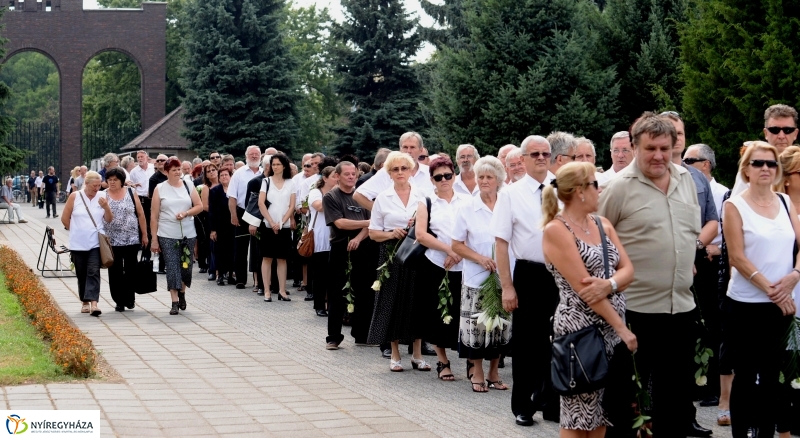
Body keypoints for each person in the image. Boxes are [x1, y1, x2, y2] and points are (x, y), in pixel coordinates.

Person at [597, 113, 701, 437]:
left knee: (676, 402)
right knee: (625, 403)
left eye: (665, 148)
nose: (658, 155)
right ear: (633, 147)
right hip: (634, 313)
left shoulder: (686, 180)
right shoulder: (616, 189)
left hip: (681, 311)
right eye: (650, 148)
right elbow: (597, 244)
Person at [542, 161, 637, 435]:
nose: (601, 190)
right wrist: (623, 328)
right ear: (580, 191)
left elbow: (629, 270)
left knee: (602, 414)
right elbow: (585, 290)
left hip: (611, 331)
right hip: (580, 332)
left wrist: (609, 284)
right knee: (577, 414)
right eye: (596, 184)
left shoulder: (603, 224)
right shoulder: (556, 230)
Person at [723, 141, 799, 437]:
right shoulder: (734, 204)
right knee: (744, 378)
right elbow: (737, 257)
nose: (765, 168)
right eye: (758, 163)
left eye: (771, 163)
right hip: (744, 304)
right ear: (746, 169)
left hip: (780, 305)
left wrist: (794, 276)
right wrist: (774, 291)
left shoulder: (784, 203)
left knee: (771, 378)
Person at [491, 135, 558, 426]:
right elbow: (501, 242)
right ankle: (523, 406)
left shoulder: (564, 186)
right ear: (524, 159)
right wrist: (507, 286)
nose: (541, 158)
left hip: (563, 276)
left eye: (545, 153)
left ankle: (554, 403)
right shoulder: (511, 193)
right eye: (535, 154)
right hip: (529, 275)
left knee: (560, 342)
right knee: (528, 345)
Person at [367, 151, 431, 372]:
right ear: (389, 173)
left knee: (418, 302)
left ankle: (417, 353)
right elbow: (373, 233)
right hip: (391, 255)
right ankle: (395, 352)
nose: (400, 172)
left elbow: (434, 226)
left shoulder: (423, 195)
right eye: (395, 169)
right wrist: (390, 234)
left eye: (404, 168)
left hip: (417, 253)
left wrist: (419, 224)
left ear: (411, 170)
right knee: (391, 302)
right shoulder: (383, 198)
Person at [452, 156, 511, 391]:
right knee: (476, 327)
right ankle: (476, 371)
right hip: (477, 277)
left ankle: (494, 372)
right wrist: (480, 258)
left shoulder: (508, 204)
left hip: (504, 276)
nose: (484, 181)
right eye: (481, 177)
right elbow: (456, 244)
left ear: (499, 180)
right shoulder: (467, 207)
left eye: (489, 177)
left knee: (500, 325)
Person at [413, 156, 471, 381]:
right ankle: (443, 361)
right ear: (432, 180)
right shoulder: (426, 201)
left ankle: (470, 362)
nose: (444, 180)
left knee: (464, 315)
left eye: (448, 175)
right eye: (439, 177)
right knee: (438, 314)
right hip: (436, 264)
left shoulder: (467, 200)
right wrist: (449, 251)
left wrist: (459, 254)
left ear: (454, 176)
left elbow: (474, 231)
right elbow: (421, 235)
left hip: (466, 266)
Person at [323, 161, 373, 350]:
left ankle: (361, 334)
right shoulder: (331, 197)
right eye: (347, 174)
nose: (352, 177)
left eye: (354, 174)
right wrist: (366, 222)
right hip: (340, 248)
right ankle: (333, 337)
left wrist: (359, 238)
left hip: (362, 246)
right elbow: (340, 223)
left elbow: (372, 225)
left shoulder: (362, 196)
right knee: (337, 293)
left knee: (363, 292)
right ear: (337, 176)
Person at [150, 158, 204, 315]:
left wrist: (186, 213)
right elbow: (154, 215)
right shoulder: (159, 188)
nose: (178, 172)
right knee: (173, 266)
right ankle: (174, 302)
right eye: (174, 170)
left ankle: (182, 292)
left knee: (186, 267)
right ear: (166, 172)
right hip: (167, 233)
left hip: (188, 233)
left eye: (179, 169)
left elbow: (199, 206)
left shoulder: (188, 185)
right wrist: (154, 238)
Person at [60, 171, 113, 316]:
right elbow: (65, 218)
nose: (97, 188)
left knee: (93, 271)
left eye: (99, 185)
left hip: (96, 242)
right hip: (77, 243)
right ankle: (84, 301)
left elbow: (109, 219)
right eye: (94, 186)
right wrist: (76, 230)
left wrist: (106, 207)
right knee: (81, 273)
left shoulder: (102, 196)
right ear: (86, 183)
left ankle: (94, 303)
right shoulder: (75, 196)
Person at [103, 168, 148, 312]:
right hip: (112, 240)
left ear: (122, 180)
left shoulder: (130, 192)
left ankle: (130, 298)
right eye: (109, 180)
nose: (112, 182)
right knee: (114, 271)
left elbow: (140, 214)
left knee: (131, 270)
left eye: (115, 180)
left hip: (131, 238)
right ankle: (119, 301)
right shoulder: (104, 195)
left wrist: (145, 234)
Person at [355, 132, 434, 210]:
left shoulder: (430, 173)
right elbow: (358, 195)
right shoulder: (387, 172)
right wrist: (382, 212)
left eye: (412, 147)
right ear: (400, 150)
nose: (408, 151)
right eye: (405, 147)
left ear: (420, 150)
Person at [258, 153, 296, 302]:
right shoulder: (266, 181)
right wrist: (272, 222)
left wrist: (281, 223)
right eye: (273, 164)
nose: (275, 167)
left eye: (278, 164)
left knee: (282, 259)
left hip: (284, 226)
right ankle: (267, 291)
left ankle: (281, 290)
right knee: (267, 258)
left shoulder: (291, 182)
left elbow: (292, 205)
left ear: (284, 165)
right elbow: (261, 203)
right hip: (268, 225)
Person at [228, 145, 263, 289]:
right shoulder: (239, 173)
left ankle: (258, 280)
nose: (254, 156)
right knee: (240, 248)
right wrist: (233, 215)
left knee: (257, 248)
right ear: (246, 155)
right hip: (242, 212)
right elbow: (232, 196)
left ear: (260, 156)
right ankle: (241, 279)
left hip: (260, 213)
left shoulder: (264, 172)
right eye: (251, 154)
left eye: (256, 154)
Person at [308, 166, 336, 316]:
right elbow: (319, 207)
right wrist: (335, 197)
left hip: (336, 237)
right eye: (334, 176)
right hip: (320, 237)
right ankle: (319, 304)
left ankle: (330, 303)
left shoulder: (338, 192)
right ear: (325, 178)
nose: (337, 179)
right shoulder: (315, 192)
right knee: (320, 273)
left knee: (332, 274)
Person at [209, 167, 235, 286]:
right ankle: (220, 275)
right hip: (219, 225)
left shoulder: (234, 190)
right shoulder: (214, 191)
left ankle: (230, 275)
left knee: (231, 250)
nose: (224, 177)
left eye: (226, 175)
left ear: (230, 176)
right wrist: (213, 229)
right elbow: (212, 211)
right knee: (219, 250)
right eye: (222, 175)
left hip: (232, 225)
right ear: (219, 178)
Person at [200, 162, 220, 281]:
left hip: (225, 219)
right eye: (209, 171)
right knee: (213, 245)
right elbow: (204, 206)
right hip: (211, 218)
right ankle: (212, 269)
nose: (211, 172)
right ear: (206, 175)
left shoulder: (225, 183)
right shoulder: (206, 188)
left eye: (213, 169)